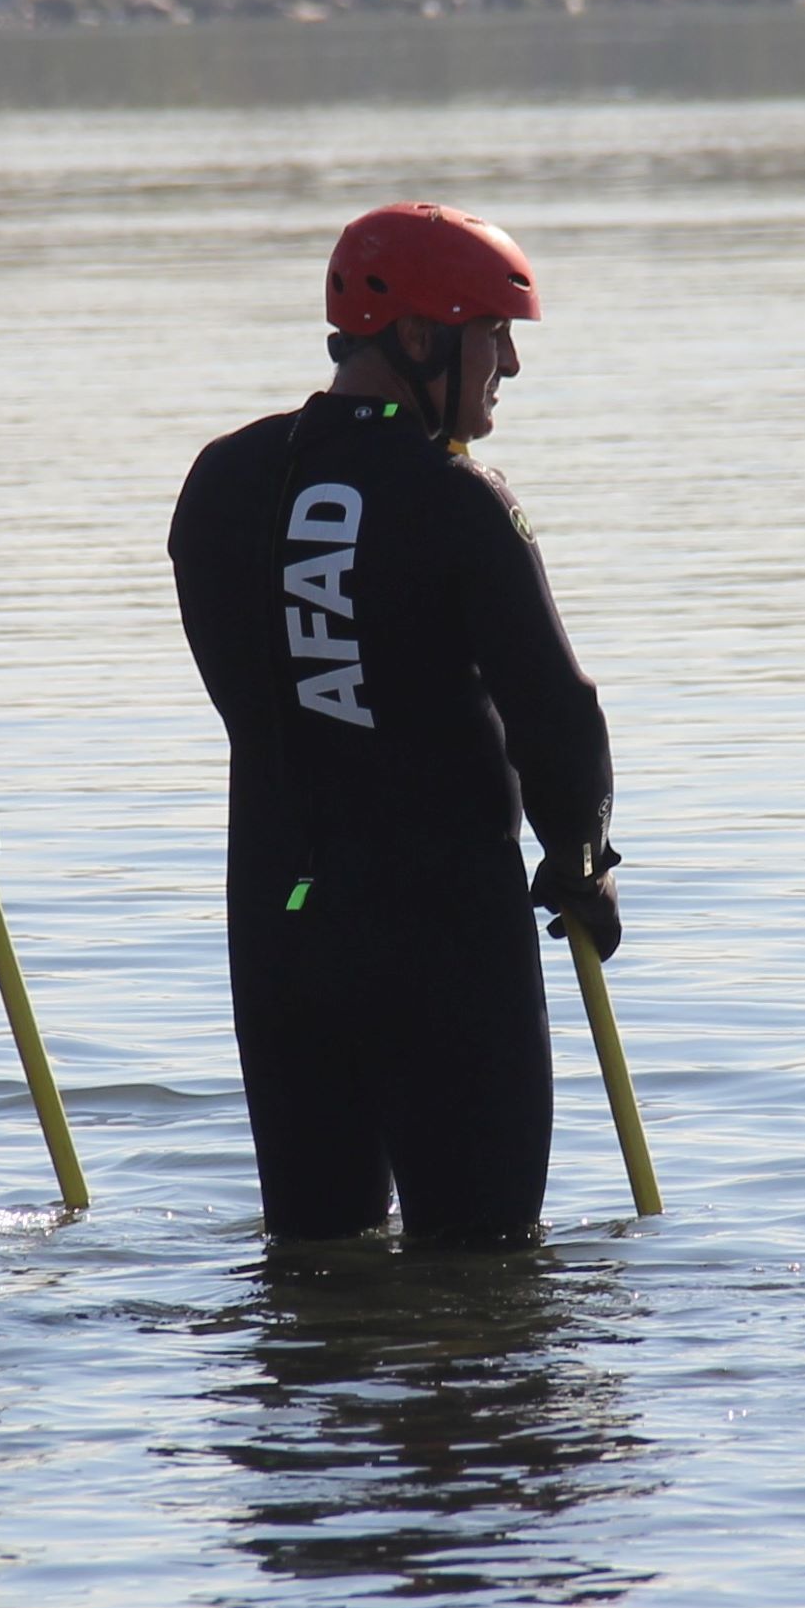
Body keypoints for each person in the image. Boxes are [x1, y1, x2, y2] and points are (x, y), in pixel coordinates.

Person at [169, 202, 614, 1246]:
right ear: (417, 338)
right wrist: (583, 852)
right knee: (486, 1284)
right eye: (491, 335)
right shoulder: (456, 498)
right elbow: (560, 715)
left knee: (315, 1274)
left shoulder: (220, 482)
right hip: (441, 943)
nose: (508, 362)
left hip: (280, 933)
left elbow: (246, 689)